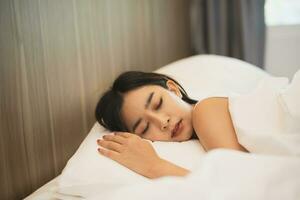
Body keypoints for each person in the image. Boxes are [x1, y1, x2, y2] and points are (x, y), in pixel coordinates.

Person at [95, 71, 248, 179]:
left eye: (158, 104)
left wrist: (154, 166)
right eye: (145, 127)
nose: (162, 122)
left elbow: (241, 185)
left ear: (174, 90)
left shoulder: (205, 110)